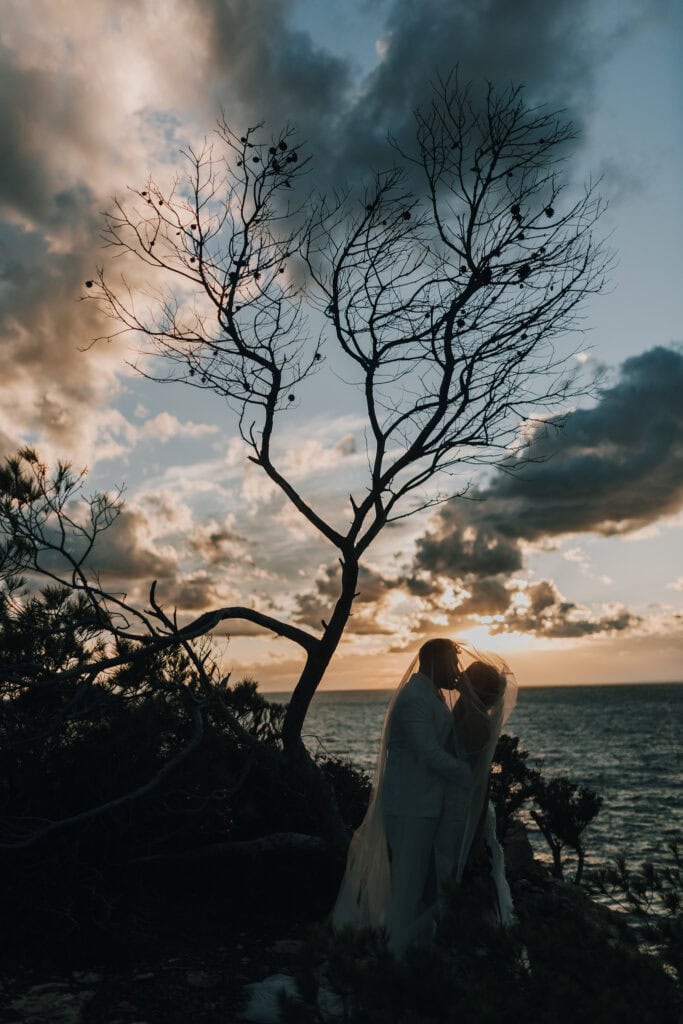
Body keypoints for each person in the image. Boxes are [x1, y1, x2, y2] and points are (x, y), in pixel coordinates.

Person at [332, 638, 517, 952]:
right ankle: (398, 956)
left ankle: (419, 952)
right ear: (435, 662)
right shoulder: (414, 698)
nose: (457, 670)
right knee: (410, 887)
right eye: (452, 663)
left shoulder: (432, 696)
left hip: (428, 805)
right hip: (410, 806)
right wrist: (467, 776)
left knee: (425, 888)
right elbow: (428, 752)